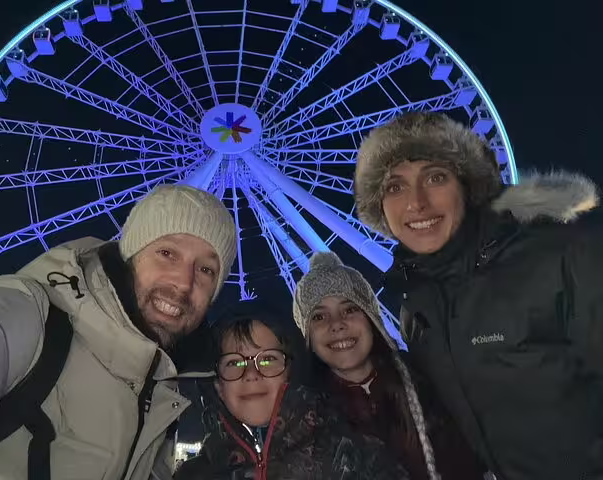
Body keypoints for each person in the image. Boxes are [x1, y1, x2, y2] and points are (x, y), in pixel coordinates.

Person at [0, 185, 237, 480]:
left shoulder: (166, 389)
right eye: (166, 253)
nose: (184, 282)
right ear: (129, 254)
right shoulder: (31, 315)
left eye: (206, 269)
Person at [354, 111, 603, 480]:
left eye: (436, 177)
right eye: (394, 186)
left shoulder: (561, 256)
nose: (416, 202)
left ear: (468, 187)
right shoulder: (416, 308)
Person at [293, 251, 487, 480]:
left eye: (350, 309)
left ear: (372, 318)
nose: (337, 324)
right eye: (318, 317)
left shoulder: (430, 379)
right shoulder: (301, 420)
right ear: (308, 338)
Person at [174, 299, 410, 480]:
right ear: (218, 386)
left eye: (268, 360)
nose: (252, 374)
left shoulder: (360, 458)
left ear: (293, 371)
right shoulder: (194, 475)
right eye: (234, 363)